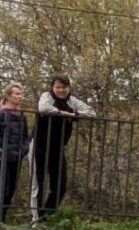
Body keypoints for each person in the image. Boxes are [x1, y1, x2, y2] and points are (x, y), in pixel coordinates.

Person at [33, 75, 95, 220]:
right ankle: (35, 218)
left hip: (58, 147)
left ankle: (46, 216)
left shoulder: (72, 101)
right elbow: (43, 108)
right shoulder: (47, 96)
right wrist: (63, 113)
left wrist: (75, 114)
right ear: (53, 87)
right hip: (39, 145)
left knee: (60, 184)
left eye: (64, 87)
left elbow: (91, 112)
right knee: (37, 183)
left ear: (69, 88)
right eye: (58, 87)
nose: (61, 90)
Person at [0, 82, 30, 224]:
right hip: (2, 157)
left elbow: (25, 137)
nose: (20, 97)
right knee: (3, 189)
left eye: (21, 93)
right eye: (17, 94)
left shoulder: (21, 116)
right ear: (8, 96)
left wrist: (23, 150)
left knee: (11, 190)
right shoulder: (1, 113)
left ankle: (2, 221)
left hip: (16, 157)